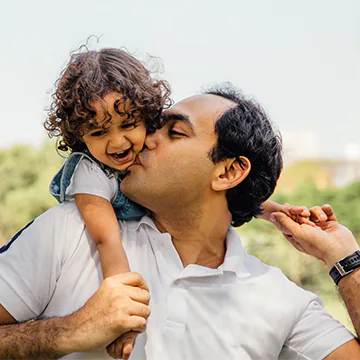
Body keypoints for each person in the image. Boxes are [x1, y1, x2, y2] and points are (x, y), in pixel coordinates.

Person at [1, 84, 359, 359]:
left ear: (229, 171)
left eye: (174, 133)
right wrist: (67, 332)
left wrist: (345, 260)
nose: (144, 139)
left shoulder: (283, 302)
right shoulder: (68, 230)